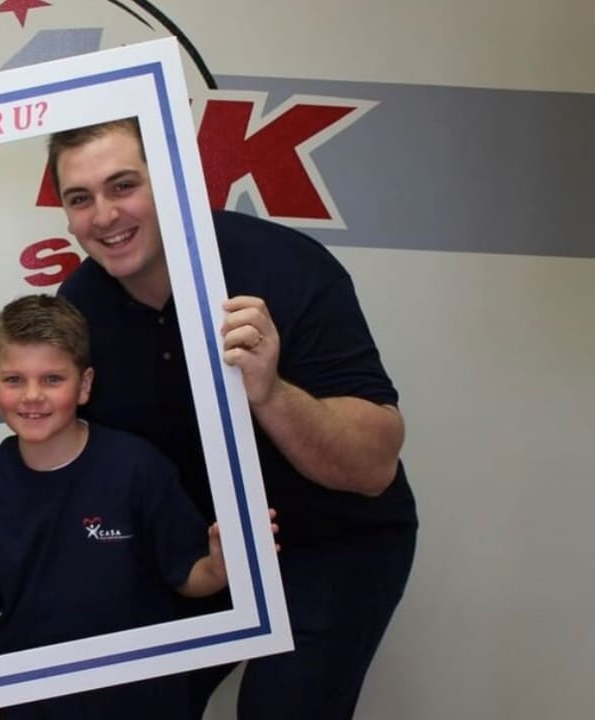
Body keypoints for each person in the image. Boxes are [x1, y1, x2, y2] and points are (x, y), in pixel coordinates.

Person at [50, 118, 418, 719]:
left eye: (123, 186)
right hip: (201, 554)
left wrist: (267, 390)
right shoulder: (81, 308)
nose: (105, 215)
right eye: (80, 198)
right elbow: (98, 473)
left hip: (331, 542)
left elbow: (373, 468)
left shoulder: (286, 267)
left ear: (172, 183)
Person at [0, 294, 246, 720]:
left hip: (147, 702)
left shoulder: (137, 468)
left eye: (52, 378)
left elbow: (188, 576)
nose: (32, 396)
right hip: (33, 708)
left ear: (85, 384)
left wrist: (220, 567)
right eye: (14, 379)